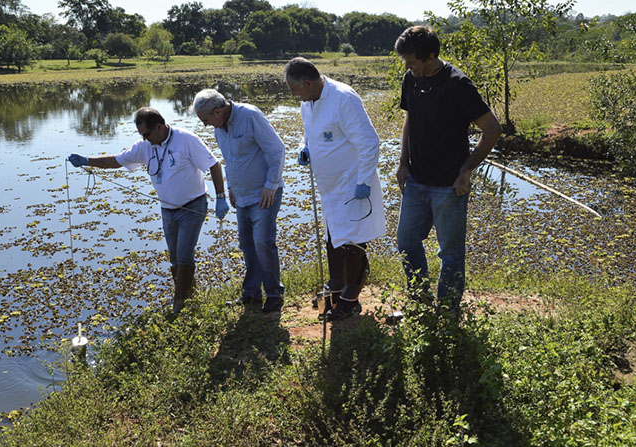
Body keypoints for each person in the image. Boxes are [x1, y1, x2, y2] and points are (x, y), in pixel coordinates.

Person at [68, 107, 228, 314]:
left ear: (159, 127)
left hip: (192, 206)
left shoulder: (186, 140)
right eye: (141, 135)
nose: (144, 138)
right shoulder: (145, 146)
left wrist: (220, 197)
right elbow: (117, 160)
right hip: (167, 209)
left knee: (184, 255)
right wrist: (87, 161)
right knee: (174, 258)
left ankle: (179, 306)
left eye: (147, 134)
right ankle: (190, 298)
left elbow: (214, 164)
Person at [394, 26, 502, 311]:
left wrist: (467, 170)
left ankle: (447, 312)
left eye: (412, 61)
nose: (407, 67)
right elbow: (410, 120)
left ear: (430, 56)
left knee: (450, 253)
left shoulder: (457, 84)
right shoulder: (411, 79)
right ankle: (420, 302)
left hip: (449, 186)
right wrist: (403, 162)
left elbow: (492, 129)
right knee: (406, 242)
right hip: (416, 181)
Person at [284, 57, 385, 321]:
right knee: (334, 238)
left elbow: (369, 142)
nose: (293, 95)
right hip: (329, 187)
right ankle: (336, 285)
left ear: (308, 83)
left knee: (353, 241)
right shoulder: (308, 102)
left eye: (294, 89)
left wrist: (364, 182)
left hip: (352, 185)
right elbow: (309, 133)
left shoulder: (343, 98)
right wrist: (304, 147)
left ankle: (351, 297)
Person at [192, 89, 286, 313]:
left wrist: (270, 185)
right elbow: (229, 160)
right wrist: (231, 188)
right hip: (242, 196)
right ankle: (251, 294)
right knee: (247, 245)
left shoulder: (250, 116)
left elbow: (277, 150)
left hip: (264, 194)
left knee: (263, 243)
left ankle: (274, 294)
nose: (205, 125)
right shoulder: (219, 129)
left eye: (205, 120)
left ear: (217, 112)